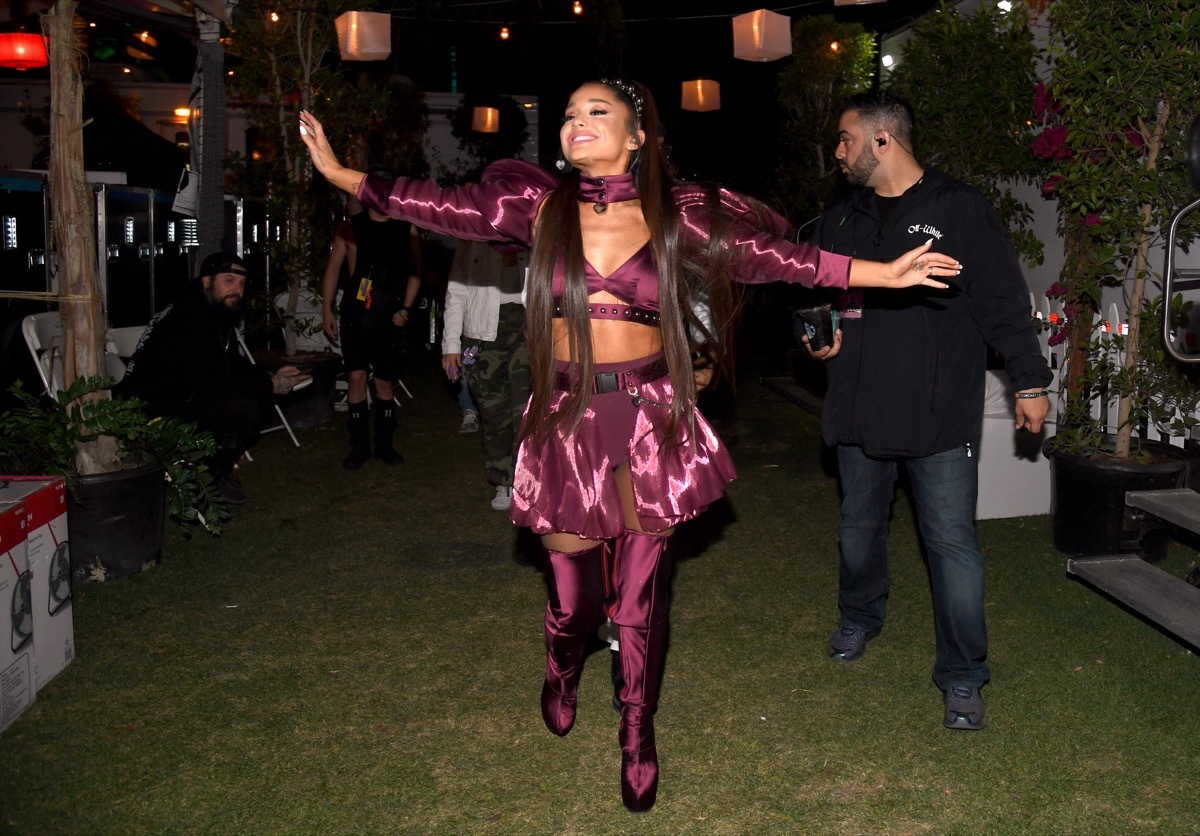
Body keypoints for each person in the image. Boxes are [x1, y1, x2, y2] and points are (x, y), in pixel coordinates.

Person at [299, 80, 958, 813]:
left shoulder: (677, 217)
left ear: (637, 136)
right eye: (571, 113)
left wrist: (884, 274)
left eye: (597, 112)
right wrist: (344, 177)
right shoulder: (538, 208)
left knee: (642, 600)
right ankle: (562, 667)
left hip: (650, 417)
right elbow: (436, 203)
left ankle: (638, 732)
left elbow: (782, 260)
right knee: (575, 604)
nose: (577, 122)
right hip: (567, 417)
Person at [805, 91, 1052, 731]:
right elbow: (822, 296)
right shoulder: (841, 217)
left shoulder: (959, 208)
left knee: (951, 544)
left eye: (845, 139)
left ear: (883, 140)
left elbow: (1002, 300)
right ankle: (860, 617)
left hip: (937, 413)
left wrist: (1029, 383)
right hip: (858, 408)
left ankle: (964, 675)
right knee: (859, 529)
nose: (838, 151)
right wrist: (819, 331)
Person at [115, 251, 309, 504]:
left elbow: (228, 364)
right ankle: (205, 480)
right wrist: (269, 384)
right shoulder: (190, 316)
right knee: (245, 408)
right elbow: (211, 382)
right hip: (148, 409)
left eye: (241, 284)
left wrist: (269, 375)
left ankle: (213, 473)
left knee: (253, 396)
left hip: (177, 397)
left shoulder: (210, 309)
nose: (237, 290)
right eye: (229, 281)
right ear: (207, 281)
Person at [320, 167, 422, 469]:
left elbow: (416, 272)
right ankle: (359, 447)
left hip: (390, 316)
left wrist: (406, 308)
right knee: (355, 378)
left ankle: (386, 446)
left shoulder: (406, 227)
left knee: (384, 383)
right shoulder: (348, 228)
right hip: (355, 314)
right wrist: (327, 307)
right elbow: (333, 270)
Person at [442, 239, 531, 511]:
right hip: (481, 334)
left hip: (527, 329)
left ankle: (526, 480)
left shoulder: (532, 234)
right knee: (493, 412)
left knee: (525, 410)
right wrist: (451, 345)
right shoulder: (471, 242)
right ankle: (502, 479)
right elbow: (456, 294)